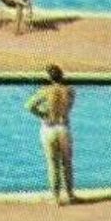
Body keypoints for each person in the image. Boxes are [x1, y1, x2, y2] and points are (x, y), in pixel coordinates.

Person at [25, 63, 76, 203]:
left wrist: (43, 114)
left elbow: (29, 105)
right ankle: (71, 195)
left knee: (53, 164)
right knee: (67, 163)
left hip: (49, 128)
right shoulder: (70, 91)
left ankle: (56, 198)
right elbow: (69, 106)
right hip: (63, 128)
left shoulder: (45, 91)